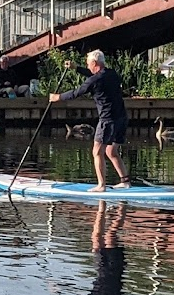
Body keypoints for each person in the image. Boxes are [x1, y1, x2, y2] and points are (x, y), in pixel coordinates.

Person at [49, 49, 130, 192]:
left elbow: (76, 92)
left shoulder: (95, 80)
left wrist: (58, 97)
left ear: (94, 63)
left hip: (107, 120)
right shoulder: (112, 74)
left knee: (97, 152)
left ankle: (101, 186)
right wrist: (76, 68)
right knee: (111, 151)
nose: (87, 67)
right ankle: (125, 182)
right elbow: (96, 76)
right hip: (121, 118)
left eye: (88, 64)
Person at [76, 201, 127, 295]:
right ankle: (122, 207)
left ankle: (102, 207)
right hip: (113, 267)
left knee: (96, 237)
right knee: (111, 235)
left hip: (102, 268)